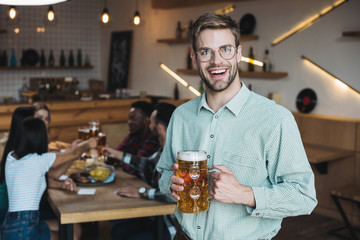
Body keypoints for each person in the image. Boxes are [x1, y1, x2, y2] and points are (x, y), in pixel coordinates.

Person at [157, 13, 317, 240]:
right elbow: (163, 174)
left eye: (225, 49)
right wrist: (170, 184)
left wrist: (245, 194)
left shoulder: (275, 119)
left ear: (239, 53)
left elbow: (304, 196)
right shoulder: (181, 116)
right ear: (194, 58)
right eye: (205, 52)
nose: (216, 61)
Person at [1, 117, 96, 239]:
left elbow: (48, 176)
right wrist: (88, 144)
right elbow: (75, 154)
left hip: (10, 226)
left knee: (73, 228)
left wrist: (61, 185)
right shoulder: (38, 161)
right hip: (24, 230)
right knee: (69, 234)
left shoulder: (11, 157)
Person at [104, 102, 177, 240]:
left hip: (173, 225)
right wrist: (117, 154)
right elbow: (149, 165)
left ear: (160, 127)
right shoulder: (164, 149)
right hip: (157, 218)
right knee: (118, 232)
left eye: (151, 121)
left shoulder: (182, 153)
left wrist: (141, 192)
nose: (149, 125)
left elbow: (176, 195)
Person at [0, 106, 35, 227]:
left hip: (8, 211)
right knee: (72, 230)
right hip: (8, 215)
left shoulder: (14, 147)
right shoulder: (21, 153)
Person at [111, 101, 161, 176]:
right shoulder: (133, 135)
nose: (129, 122)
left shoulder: (153, 138)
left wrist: (121, 160)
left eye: (133, 119)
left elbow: (138, 168)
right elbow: (114, 154)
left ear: (146, 120)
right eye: (129, 119)